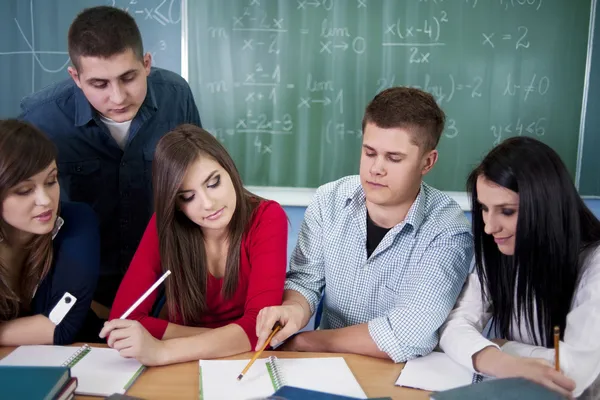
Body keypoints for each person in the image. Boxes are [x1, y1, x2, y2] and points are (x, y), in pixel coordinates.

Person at [255, 87, 473, 362]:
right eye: (370, 152)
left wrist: (306, 342)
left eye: (393, 158)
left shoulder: (448, 230)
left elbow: (408, 333)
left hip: (400, 373)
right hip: (327, 365)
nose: (376, 168)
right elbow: (305, 281)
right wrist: (293, 311)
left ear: (427, 162)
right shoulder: (328, 200)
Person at [19, 6, 202, 309]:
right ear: (75, 77)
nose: (117, 98)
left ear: (146, 64)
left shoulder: (176, 96)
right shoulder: (42, 118)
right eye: (99, 84)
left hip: (164, 284)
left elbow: (197, 180)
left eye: (128, 77)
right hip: (74, 291)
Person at [99, 124, 288, 366]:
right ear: (175, 204)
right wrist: (234, 337)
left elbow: (259, 328)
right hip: (186, 363)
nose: (208, 204)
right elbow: (123, 320)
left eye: (213, 183)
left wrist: (161, 350)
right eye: (188, 197)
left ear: (228, 168)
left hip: (243, 362)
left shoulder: (267, 217)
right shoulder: (165, 226)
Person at [439, 136, 600, 399]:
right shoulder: (503, 250)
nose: (490, 227)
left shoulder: (595, 264)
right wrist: (498, 360)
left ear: (545, 206)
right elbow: (454, 326)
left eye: (507, 211)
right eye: (484, 208)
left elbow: (571, 375)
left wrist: (502, 348)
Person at [0, 119, 100, 345]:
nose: (46, 200)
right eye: (24, 190)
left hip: (80, 360)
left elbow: (57, 327)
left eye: (51, 180)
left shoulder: (76, 222)